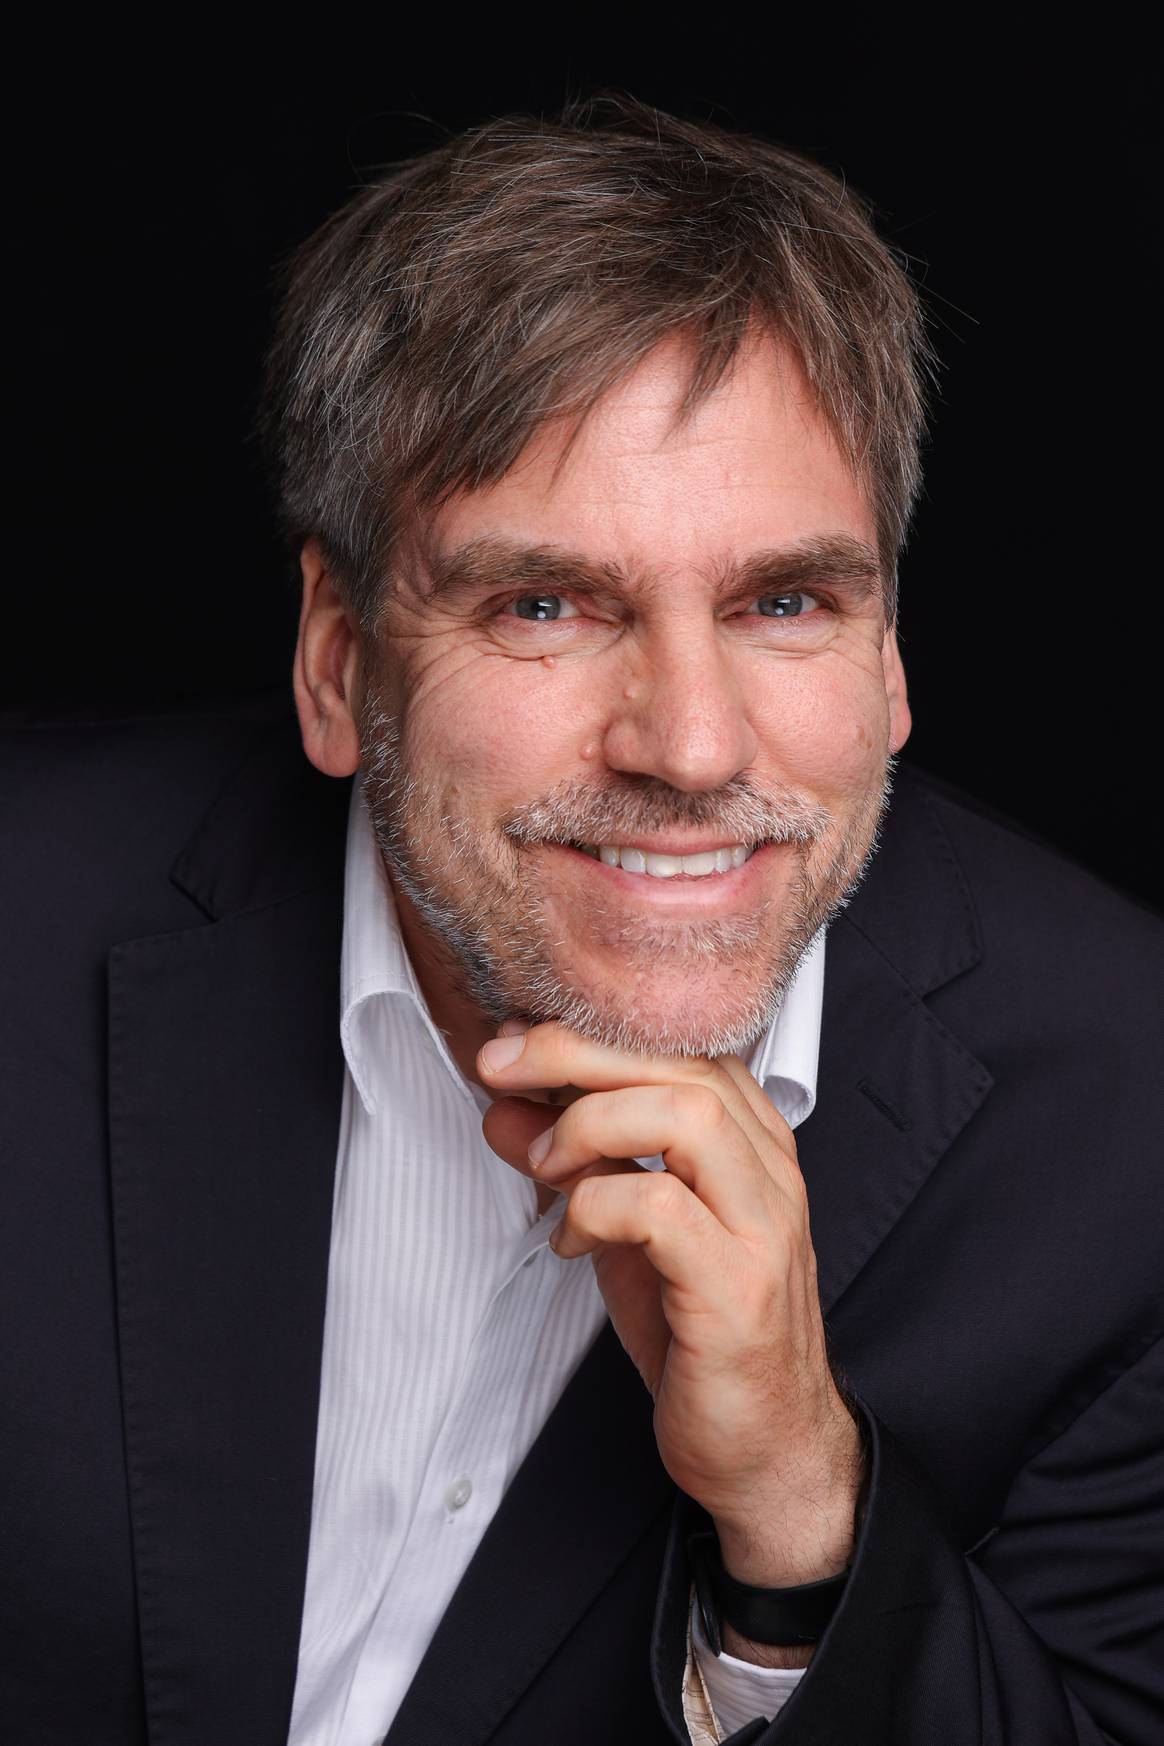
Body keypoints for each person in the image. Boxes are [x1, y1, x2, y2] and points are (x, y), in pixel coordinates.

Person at [2, 95, 1160, 1746]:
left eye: (784, 602)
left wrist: (801, 1514)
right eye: (546, 604)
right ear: (338, 656)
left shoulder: (1132, 1144)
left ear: (891, 651)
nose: (687, 745)